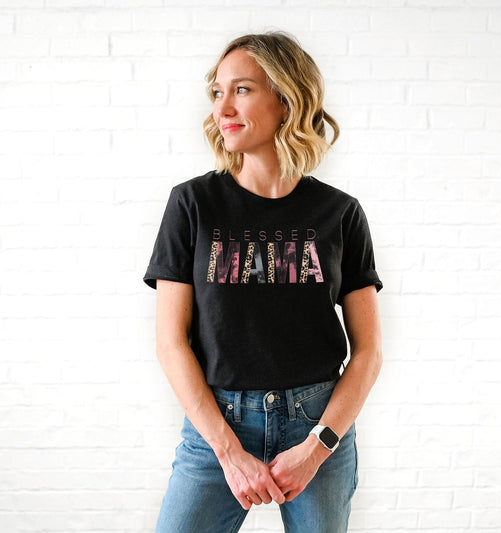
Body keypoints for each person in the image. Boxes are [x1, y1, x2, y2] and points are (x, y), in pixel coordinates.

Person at [143, 31, 383, 533]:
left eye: (242, 89)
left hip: (317, 425)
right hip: (216, 427)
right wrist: (228, 452)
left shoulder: (339, 213)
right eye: (217, 91)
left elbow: (368, 352)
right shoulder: (192, 205)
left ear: (286, 99)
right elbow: (170, 343)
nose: (222, 107)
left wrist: (318, 446)